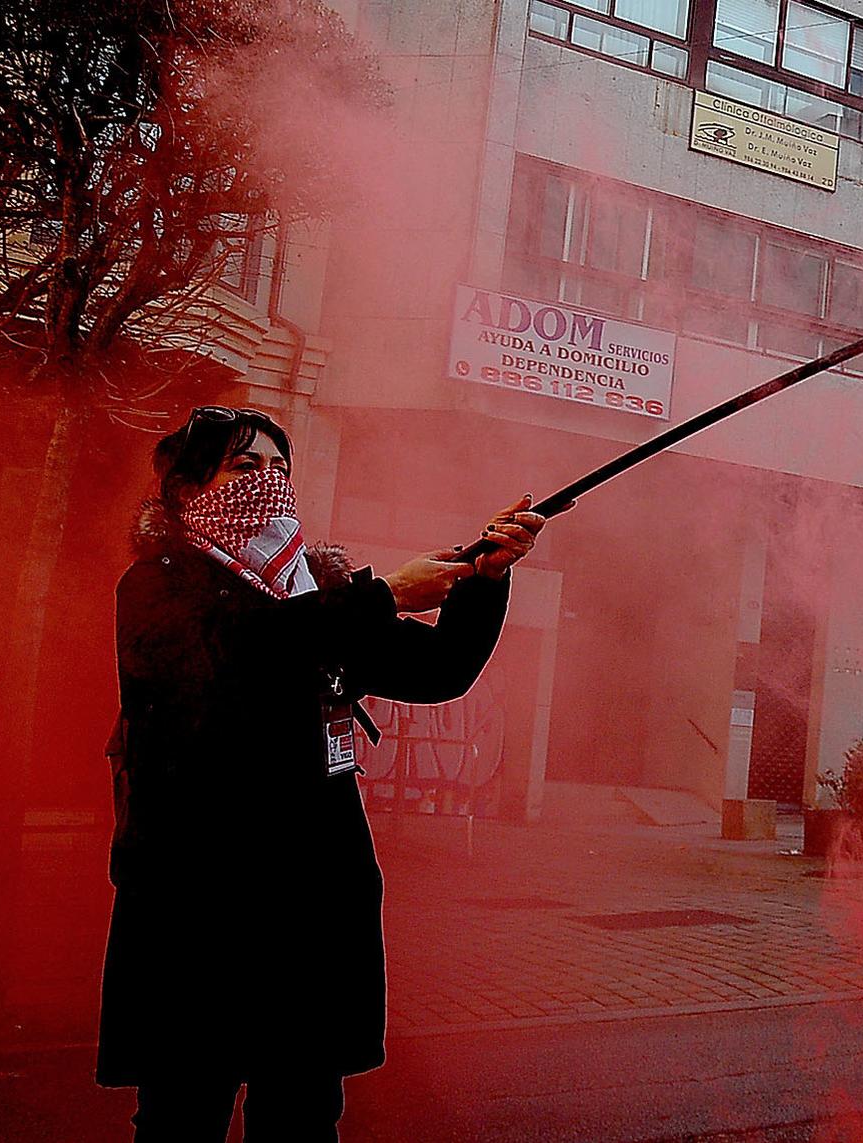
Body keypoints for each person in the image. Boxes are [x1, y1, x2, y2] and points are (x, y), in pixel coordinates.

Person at [96, 406, 544, 1141]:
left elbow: (436, 670)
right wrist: (382, 595)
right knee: (183, 1113)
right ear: (184, 489)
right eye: (246, 468)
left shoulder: (317, 596)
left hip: (306, 911)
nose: (269, 484)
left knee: (302, 1116)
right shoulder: (157, 585)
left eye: (281, 469)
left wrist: (484, 580)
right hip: (195, 911)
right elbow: (229, 655)